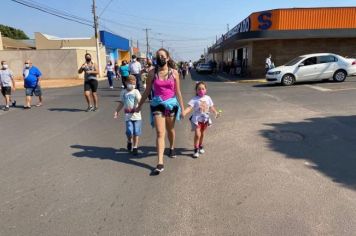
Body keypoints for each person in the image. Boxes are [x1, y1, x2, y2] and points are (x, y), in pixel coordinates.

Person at [136, 48, 185, 175]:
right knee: (159, 132)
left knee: (170, 130)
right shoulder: (152, 73)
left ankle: (172, 147)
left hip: (170, 105)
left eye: (162, 56)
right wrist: (139, 105)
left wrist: (183, 108)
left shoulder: (174, 73)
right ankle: (160, 162)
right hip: (157, 104)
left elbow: (177, 92)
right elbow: (147, 91)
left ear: (168, 58)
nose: (160, 58)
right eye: (158, 56)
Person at [183, 82, 220, 158]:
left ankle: (200, 145)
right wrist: (184, 112)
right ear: (196, 90)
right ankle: (196, 149)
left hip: (205, 120)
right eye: (199, 89)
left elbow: (211, 107)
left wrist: (215, 112)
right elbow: (189, 107)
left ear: (206, 90)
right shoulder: (194, 99)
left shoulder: (208, 98)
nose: (201, 90)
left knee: (202, 134)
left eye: (203, 89)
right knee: (197, 134)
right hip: (197, 120)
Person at [114, 75, 142, 156]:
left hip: (137, 115)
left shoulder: (136, 91)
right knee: (129, 131)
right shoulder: (123, 92)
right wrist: (116, 111)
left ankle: (135, 147)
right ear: (126, 83)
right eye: (130, 83)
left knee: (136, 132)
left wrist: (139, 107)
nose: (132, 85)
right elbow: (121, 103)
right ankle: (129, 141)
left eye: (134, 83)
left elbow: (140, 101)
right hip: (128, 115)